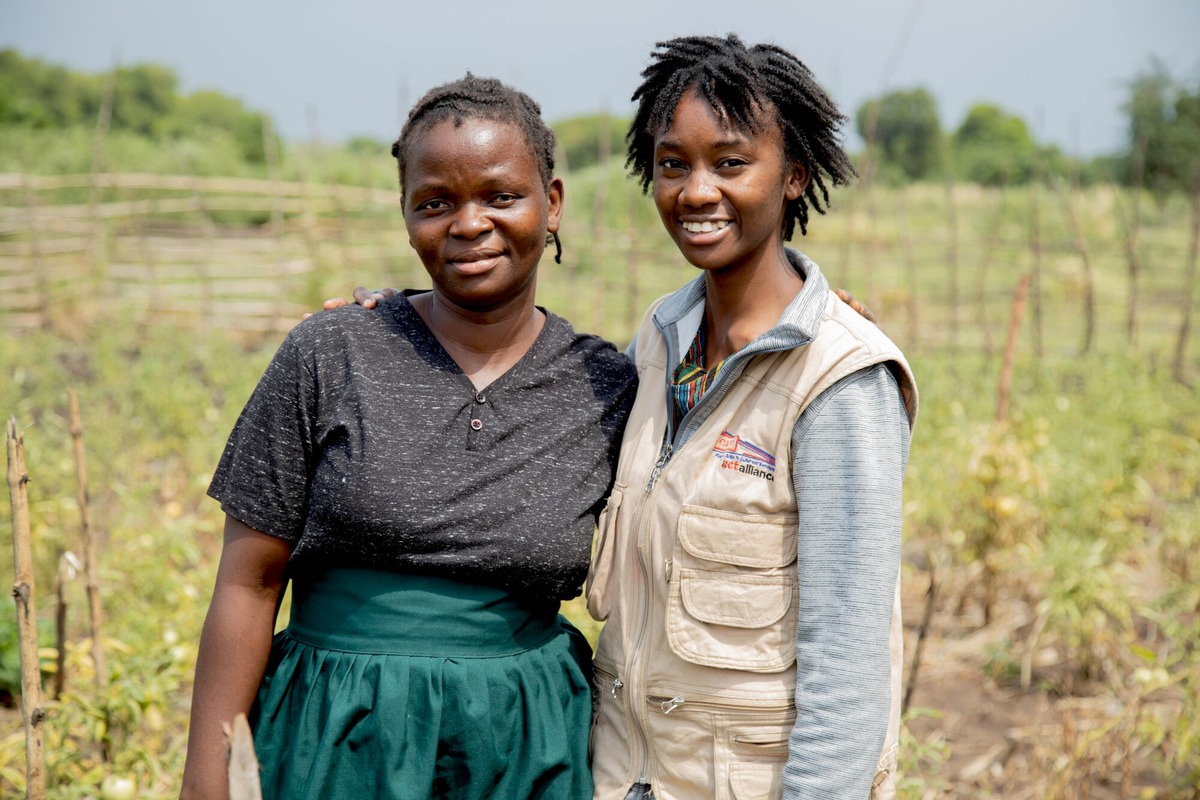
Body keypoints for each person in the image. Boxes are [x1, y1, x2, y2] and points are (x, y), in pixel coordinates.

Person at [179, 74, 637, 800]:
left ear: (551, 203)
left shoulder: (608, 385)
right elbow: (248, 581)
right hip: (337, 734)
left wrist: (807, 309)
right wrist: (208, 779)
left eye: (500, 196)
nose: (468, 224)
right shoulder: (332, 352)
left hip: (525, 743)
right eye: (435, 203)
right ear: (404, 213)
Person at [583, 35, 919, 800]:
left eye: (730, 163)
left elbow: (847, 659)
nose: (697, 191)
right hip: (621, 775)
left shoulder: (839, 377)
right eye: (674, 164)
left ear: (794, 175)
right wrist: (403, 325)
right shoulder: (660, 339)